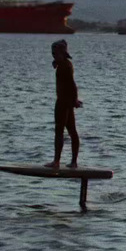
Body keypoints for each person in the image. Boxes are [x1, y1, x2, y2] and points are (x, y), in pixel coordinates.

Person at [46, 40, 82, 169]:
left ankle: (56, 161)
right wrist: (56, 62)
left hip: (63, 102)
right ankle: (73, 162)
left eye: (55, 54)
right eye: (52, 54)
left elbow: (72, 85)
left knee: (60, 130)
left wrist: (75, 100)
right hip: (66, 101)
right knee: (71, 131)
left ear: (62, 53)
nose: (53, 56)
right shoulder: (64, 64)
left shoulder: (65, 66)